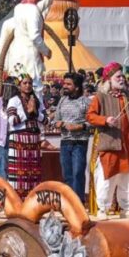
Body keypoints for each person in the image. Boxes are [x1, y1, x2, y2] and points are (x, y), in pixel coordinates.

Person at [86, 62, 129, 220]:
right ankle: (102, 209)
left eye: (122, 76)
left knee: (127, 178)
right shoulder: (100, 97)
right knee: (106, 178)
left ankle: (127, 209)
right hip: (110, 143)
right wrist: (105, 120)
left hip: (127, 144)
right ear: (109, 79)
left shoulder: (127, 97)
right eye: (118, 76)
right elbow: (90, 116)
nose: (122, 79)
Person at [0, 0, 59, 96]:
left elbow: (40, 8)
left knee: (19, 94)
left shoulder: (20, 8)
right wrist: (46, 51)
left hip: (18, 61)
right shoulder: (32, 10)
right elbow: (34, 36)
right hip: (30, 61)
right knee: (34, 94)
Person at [52, 72, 90, 201]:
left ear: (77, 87)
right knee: (67, 174)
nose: (65, 86)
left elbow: (94, 122)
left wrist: (81, 126)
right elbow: (55, 120)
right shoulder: (62, 100)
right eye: (64, 83)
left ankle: (78, 202)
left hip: (80, 142)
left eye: (69, 84)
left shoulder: (86, 102)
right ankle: (69, 202)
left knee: (78, 173)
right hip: (65, 142)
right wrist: (59, 123)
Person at [6, 73, 46, 196]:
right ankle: (16, 199)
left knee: (33, 171)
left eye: (30, 83)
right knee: (18, 171)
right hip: (18, 139)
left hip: (34, 140)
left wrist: (35, 112)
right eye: (25, 83)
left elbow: (46, 120)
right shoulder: (14, 100)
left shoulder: (37, 100)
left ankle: (32, 198)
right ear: (19, 86)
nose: (28, 86)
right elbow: (11, 120)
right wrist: (27, 113)